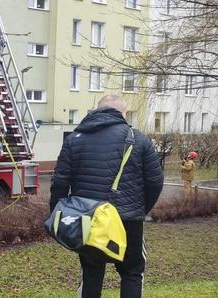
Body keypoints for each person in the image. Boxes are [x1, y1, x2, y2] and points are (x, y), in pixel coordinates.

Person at [50, 95, 164, 298]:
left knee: (91, 272)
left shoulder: (75, 139)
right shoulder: (137, 138)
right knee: (132, 272)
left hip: (89, 220)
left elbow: (59, 182)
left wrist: (56, 216)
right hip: (128, 220)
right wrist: (140, 209)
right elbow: (155, 182)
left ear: (96, 111)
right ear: (123, 113)